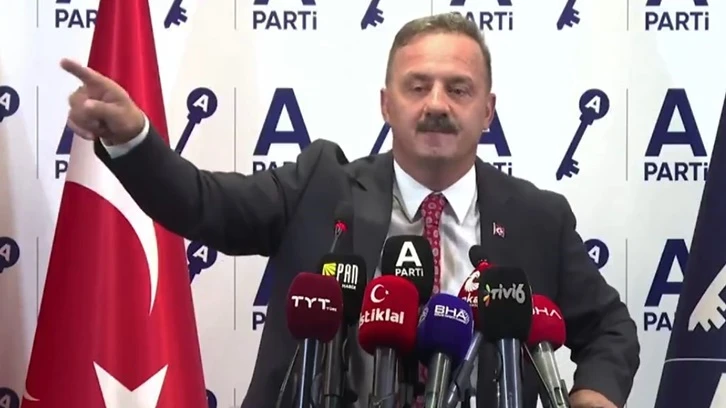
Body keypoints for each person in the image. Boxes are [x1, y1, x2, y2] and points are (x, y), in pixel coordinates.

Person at [60, 12, 639, 408]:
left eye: (458, 89)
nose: (436, 104)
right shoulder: (321, 186)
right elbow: (201, 203)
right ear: (386, 104)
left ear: (488, 111)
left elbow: (611, 328)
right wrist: (134, 139)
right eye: (417, 87)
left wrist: (593, 397)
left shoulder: (539, 217)